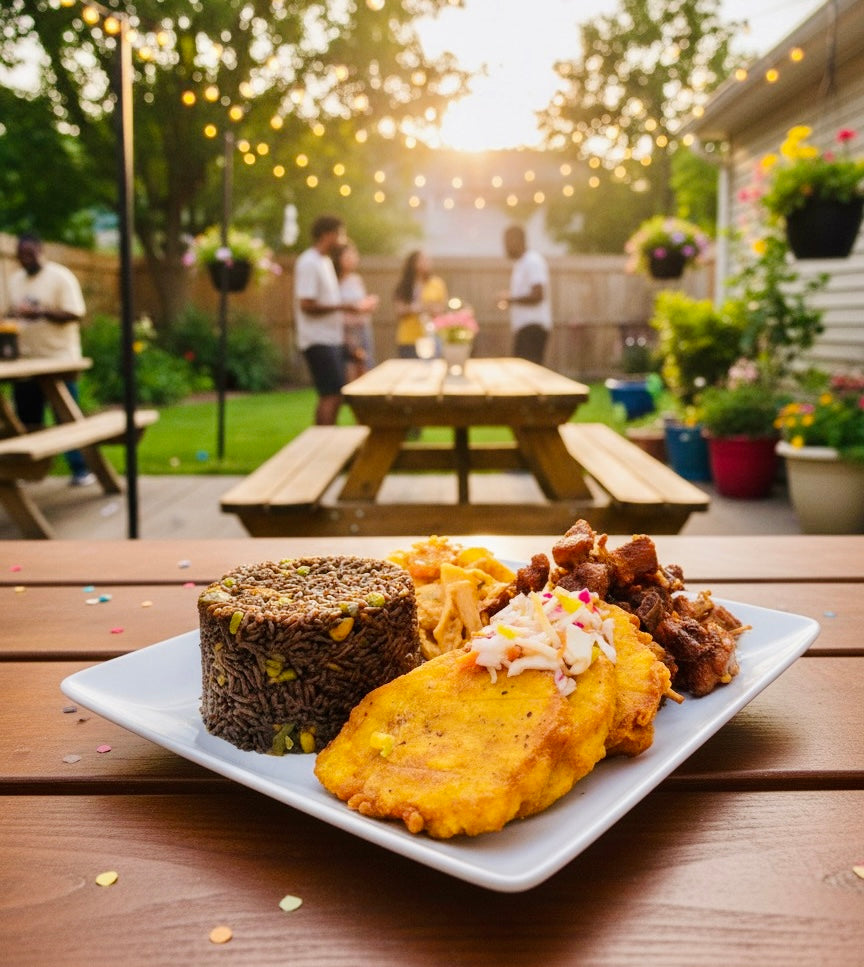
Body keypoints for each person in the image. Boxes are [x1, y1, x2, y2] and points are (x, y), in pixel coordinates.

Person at [6, 233, 95, 486]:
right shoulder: (15, 281)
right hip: (25, 361)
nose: (25, 259)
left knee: (65, 417)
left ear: (40, 251)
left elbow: (75, 313)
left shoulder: (60, 277)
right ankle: (28, 469)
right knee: (27, 418)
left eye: (29, 254)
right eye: (21, 255)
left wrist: (40, 311)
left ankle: (80, 469)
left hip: (60, 360)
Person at [294, 215, 378, 425]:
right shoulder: (309, 262)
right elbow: (306, 305)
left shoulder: (323, 262)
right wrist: (345, 306)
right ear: (327, 235)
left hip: (331, 339)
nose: (342, 240)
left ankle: (327, 440)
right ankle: (322, 442)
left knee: (337, 393)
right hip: (317, 340)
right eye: (340, 234)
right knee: (330, 395)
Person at [498, 225, 552, 365]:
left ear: (518, 240)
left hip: (532, 328)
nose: (505, 247)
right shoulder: (521, 263)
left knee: (529, 374)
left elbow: (538, 295)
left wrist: (510, 299)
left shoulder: (532, 261)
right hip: (524, 328)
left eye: (507, 242)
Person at [331, 240, 376, 383]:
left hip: (362, 329)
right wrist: (356, 307)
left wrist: (368, 305)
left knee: (365, 368)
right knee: (350, 372)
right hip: (345, 333)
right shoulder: (333, 281)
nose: (354, 259)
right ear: (339, 258)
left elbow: (361, 304)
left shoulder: (356, 280)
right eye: (349, 256)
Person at [393, 250, 448, 358]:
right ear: (413, 263)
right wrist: (418, 307)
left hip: (431, 337)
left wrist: (422, 307)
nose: (427, 262)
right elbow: (399, 310)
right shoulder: (405, 285)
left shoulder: (436, 283)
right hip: (408, 338)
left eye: (427, 260)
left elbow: (441, 308)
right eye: (423, 260)